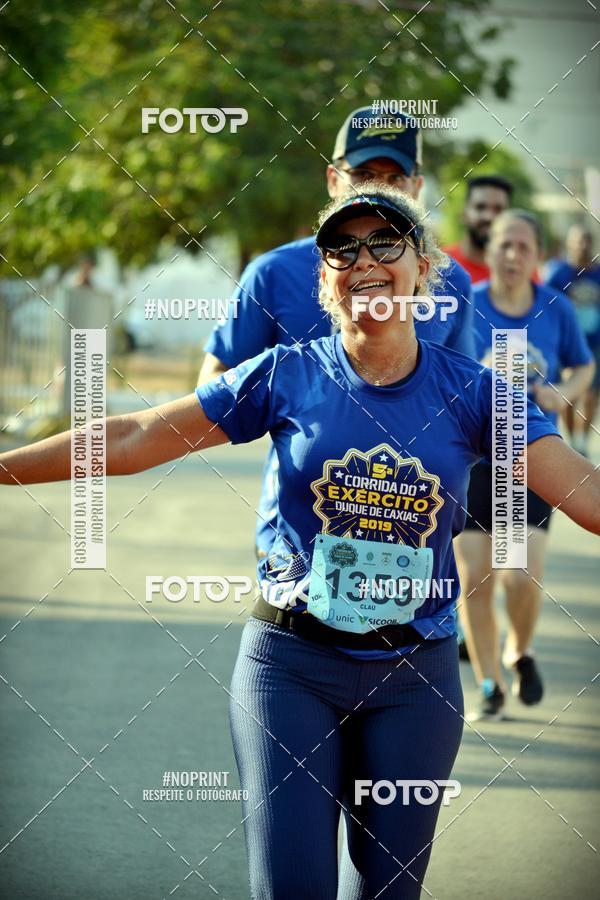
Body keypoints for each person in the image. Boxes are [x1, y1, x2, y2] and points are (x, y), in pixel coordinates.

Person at [2, 186, 599, 899]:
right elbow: (134, 434)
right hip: (290, 667)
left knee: (389, 890)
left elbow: (585, 495)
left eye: (386, 242)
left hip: (414, 679)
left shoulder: (477, 392)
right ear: (325, 280)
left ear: (424, 268)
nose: (363, 259)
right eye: (341, 248)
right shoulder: (289, 373)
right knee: (294, 888)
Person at [199, 106, 476, 560]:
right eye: (363, 173)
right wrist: (295, 404)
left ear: (417, 188)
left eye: (394, 178)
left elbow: (467, 402)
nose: (377, 190)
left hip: (414, 542)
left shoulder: (455, 283)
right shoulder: (272, 273)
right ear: (333, 181)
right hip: (298, 539)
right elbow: (215, 383)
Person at [455, 209, 595, 722]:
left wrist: (561, 394)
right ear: (488, 252)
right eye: (503, 246)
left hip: (532, 456)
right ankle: (490, 683)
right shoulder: (463, 308)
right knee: (477, 577)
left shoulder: (554, 310)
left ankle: (520, 650)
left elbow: (584, 367)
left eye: (523, 247)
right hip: (473, 456)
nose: (512, 256)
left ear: (538, 256)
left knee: (519, 577)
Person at [545, 224, 600, 457]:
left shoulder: (598, 273)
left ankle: (583, 440)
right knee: (568, 393)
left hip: (594, 343)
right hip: (565, 344)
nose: (582, 245)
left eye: (586, 240)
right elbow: (546, 306)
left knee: (591, 393)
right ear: (569, 244)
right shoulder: (559, 274)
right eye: (578, 240)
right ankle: (570, 441)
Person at [445, 175, 513, 285]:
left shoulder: (520, 271)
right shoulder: (438, 265)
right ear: (464, 214)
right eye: (480, 207)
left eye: (498, 209)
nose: (489, 217)